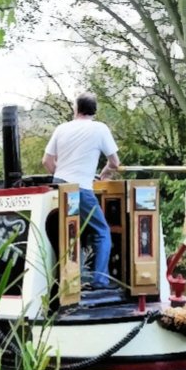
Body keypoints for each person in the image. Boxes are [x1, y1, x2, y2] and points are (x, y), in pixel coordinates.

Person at [42, 92, 120, 290]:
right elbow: (115, 163)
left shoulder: (62, 128)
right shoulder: (100, 129)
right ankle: (100, 281)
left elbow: (47, 162)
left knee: (70, 230)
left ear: (76, 109)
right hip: (81, 189)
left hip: (60, 185)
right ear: (94, 110)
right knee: (102, 232)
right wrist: (102, 175)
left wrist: (60, 175)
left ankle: (67, 280)